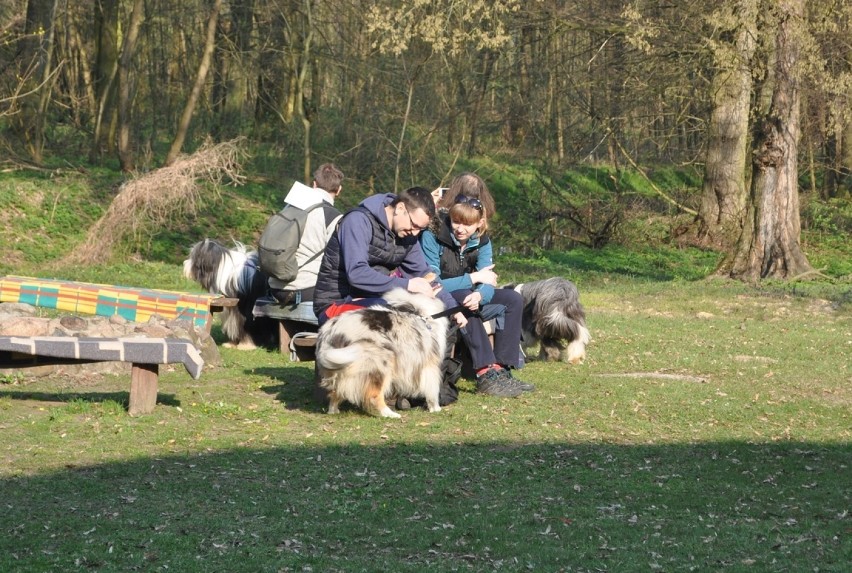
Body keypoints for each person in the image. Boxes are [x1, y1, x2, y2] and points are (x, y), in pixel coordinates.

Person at [420, 172, 534, 398]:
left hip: (470, 294)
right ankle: (485, 372)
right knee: (464, 298)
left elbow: (489, 278)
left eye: (467, 224)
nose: (460, 229)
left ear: (479, 224)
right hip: (440, 296)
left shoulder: (483, 241)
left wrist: (481, 294)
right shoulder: (432, 235)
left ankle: (502, 369)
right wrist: (473, 280)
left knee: (513, 299)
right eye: (456, 222)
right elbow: (432, 281)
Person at [313, 186, 466, 328]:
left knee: (425, 318)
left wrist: (452, 309)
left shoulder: (408, 237)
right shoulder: (357, 221)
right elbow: (357, 273)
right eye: (413, 225)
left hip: (377, 302)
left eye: (421, 229)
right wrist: (408, 285)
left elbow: (425, 275)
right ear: (400, 208)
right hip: (336, 305)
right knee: (399, 317)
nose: (415, 233)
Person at [268, 163, 344, 305]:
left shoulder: (289, 206)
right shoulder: (334, 217)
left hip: (274, 287)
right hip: (305, 290)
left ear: (314, 184)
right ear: (339, 190)